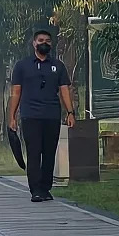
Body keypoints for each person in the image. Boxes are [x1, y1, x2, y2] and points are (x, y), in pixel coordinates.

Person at [8, 30, 75, 202]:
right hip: (30, 115)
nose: (44, 43)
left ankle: (46, 188)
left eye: (47, 40)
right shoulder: (22, 66)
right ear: (34, 43)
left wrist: (70, 112)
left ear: (51, 44)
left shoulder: (58, 66)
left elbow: (64, 90)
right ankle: (35, 189)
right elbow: (16, 92)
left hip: (52, 115)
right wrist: (12, 117)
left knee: (49, 153)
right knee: (34, 152)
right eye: (40, 40)